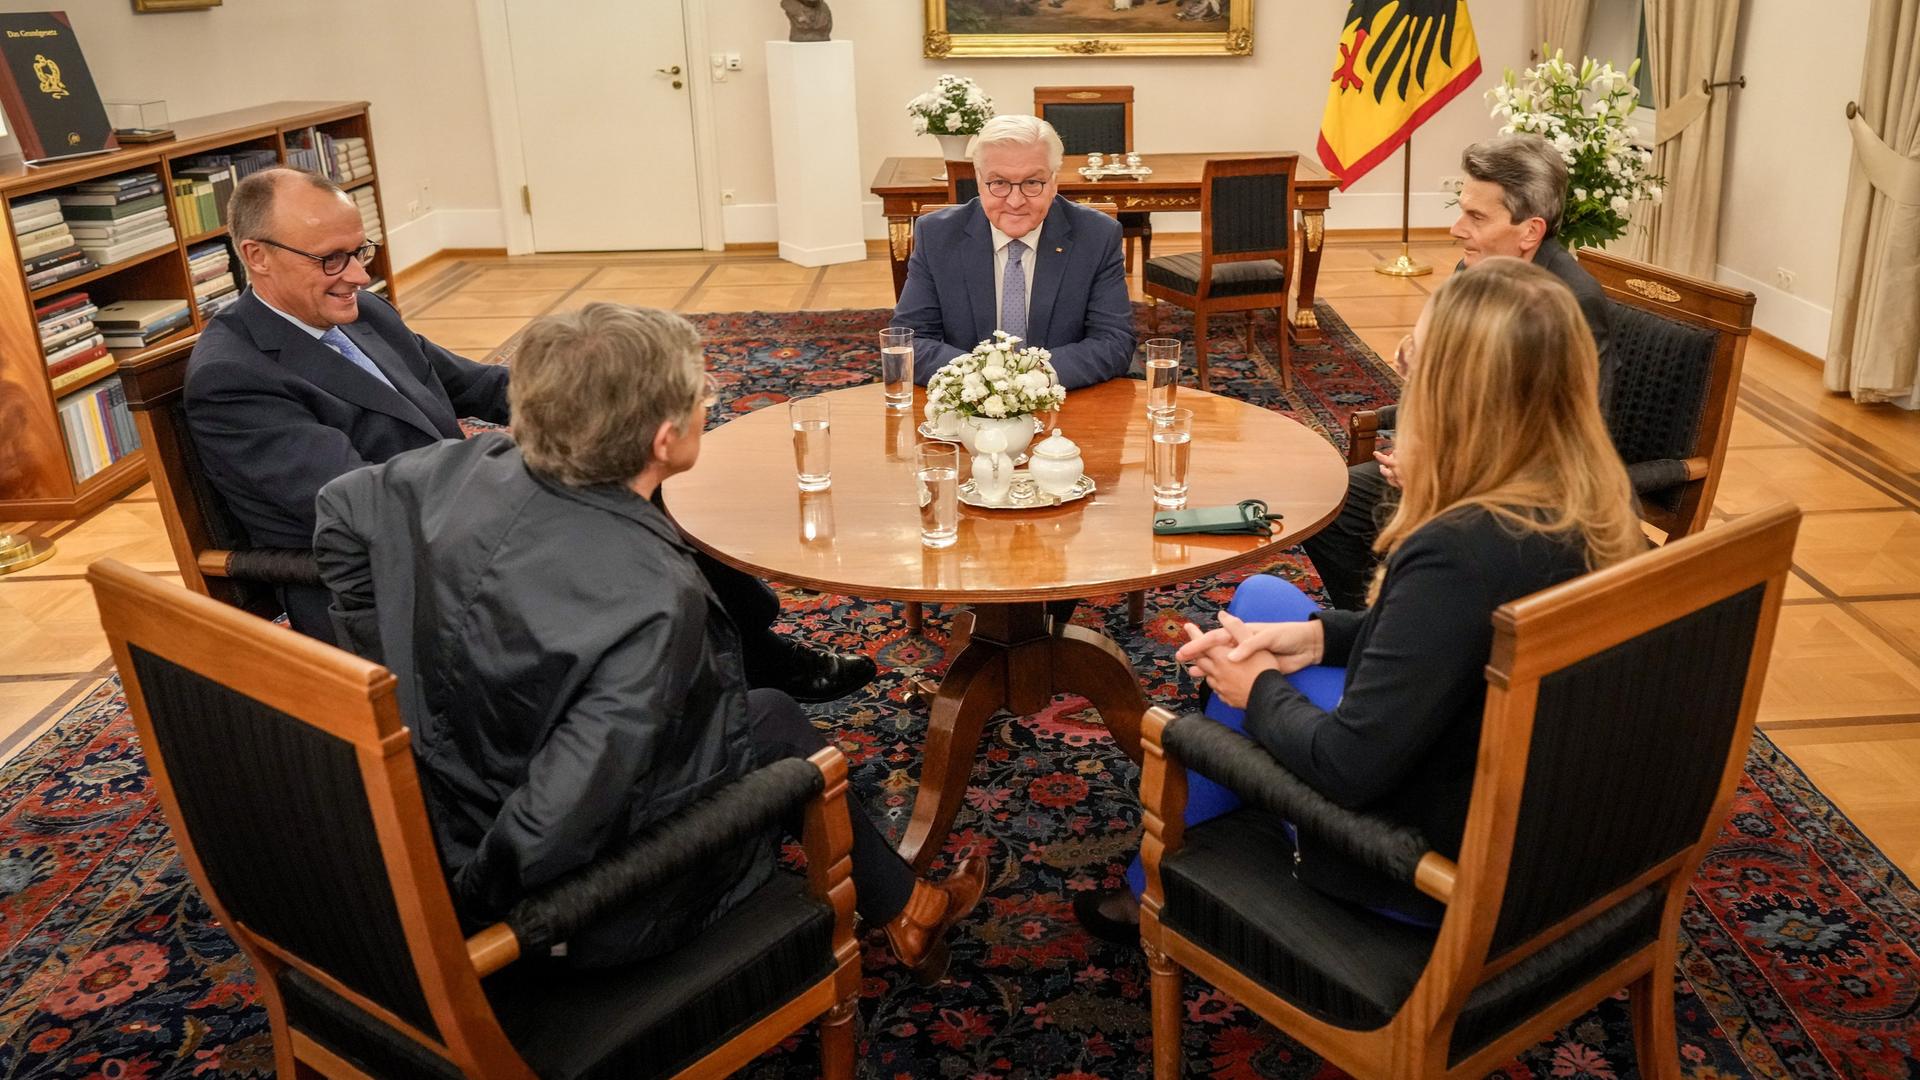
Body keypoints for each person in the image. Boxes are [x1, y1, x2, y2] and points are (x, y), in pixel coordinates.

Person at [313, 303, 987, 974]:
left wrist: (388, 695)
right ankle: (907, 910)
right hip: (586, 915)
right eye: (703, 394)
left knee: (771, 713)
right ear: (664, 439)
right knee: (778, 736)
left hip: (459, 771)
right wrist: (473, 916)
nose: (710, 404)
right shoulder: (654, 603)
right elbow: (551, 829)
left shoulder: (461, 465)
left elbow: (338, 512)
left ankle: (909, 908)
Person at [1075, 257, 1645, 939]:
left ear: (1456, 392)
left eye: (1414, 362)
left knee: (1215, 696)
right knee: (1263, 601)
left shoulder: (1460, 549)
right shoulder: (1592, 503)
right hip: (1548, 810)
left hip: (1427, 859)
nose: (1403, 378)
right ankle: (1155, 882)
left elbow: (1347, 769)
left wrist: (1252, 688)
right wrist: (1318, 637)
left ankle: (1158, 891)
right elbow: (1453, 640)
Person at [184, 168, 872, 702]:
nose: (359, 275)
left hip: (464, 514)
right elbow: (358, 505)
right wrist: (526, 467)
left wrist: (613, 398)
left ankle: (742, 653)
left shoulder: (362, 312)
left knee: (637, 467)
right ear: (258, 257)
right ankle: (698, 688)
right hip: (398, 571)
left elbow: (475, 384)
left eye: (359, 251)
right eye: (331, 260)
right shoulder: (235, 377)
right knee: (617, 497)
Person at [1302, 132, 1615, 610]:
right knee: (1327, 505)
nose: (1454, 228)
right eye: (1461, 209)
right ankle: (1375, 625)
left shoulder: (1571, 302)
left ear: (1530, 231)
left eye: (1476, 216)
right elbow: (1445, 368)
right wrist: (1420, 362)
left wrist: (1439, 468)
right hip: (1451, 464)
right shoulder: (1479, 268)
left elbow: (1565, 441)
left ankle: (1416, 626)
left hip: (1515, 505)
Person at [891, 114, 1135, 390]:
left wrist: (1033, 378)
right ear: (979, 181)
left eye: (1032, 183)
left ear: (1054, 182)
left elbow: (1114, 342)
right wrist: (985, 378)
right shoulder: (937, 236)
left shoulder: (1096, 236)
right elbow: (908, 341)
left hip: (1064, 404)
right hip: (965, 407)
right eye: (999, 183)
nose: (1015, 201)